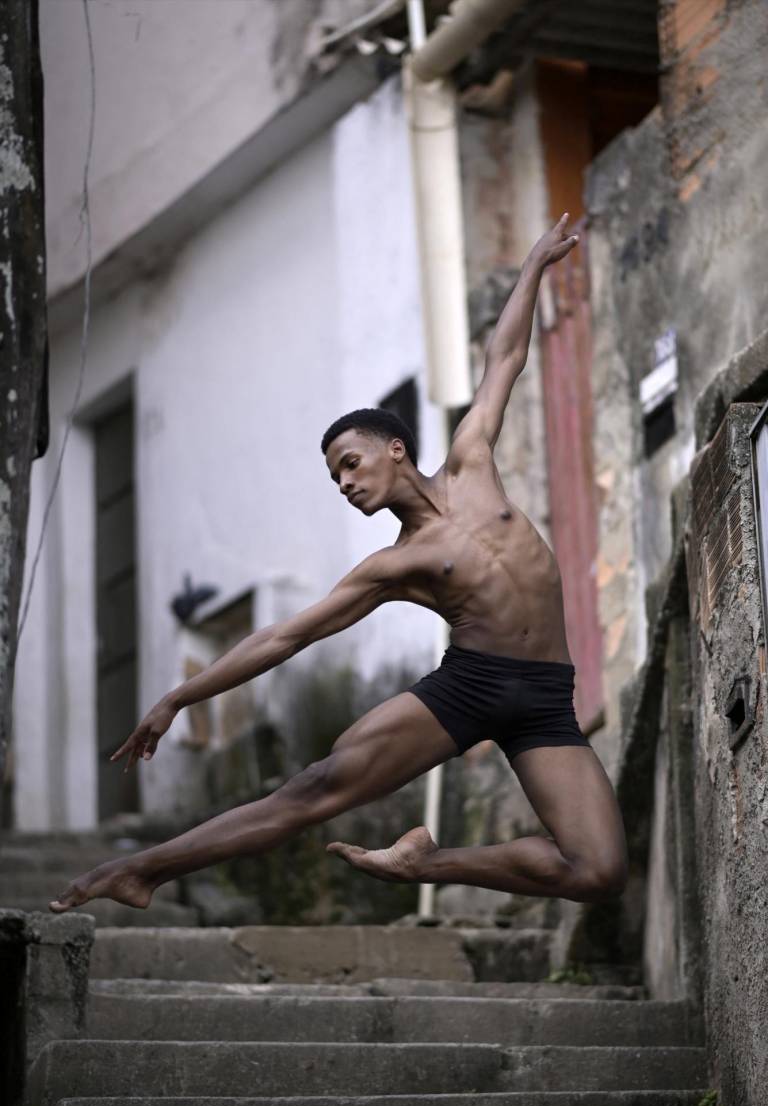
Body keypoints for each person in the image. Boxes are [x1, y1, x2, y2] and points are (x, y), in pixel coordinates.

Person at [49, 213, 627, 915]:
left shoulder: (474, 460)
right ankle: (144, 868)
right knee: (316, 789)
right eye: (335, 479)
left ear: (395, 449)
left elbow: (504, 357)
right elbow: (283, 637)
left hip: (544, 698)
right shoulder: (392, 565)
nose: (346, 483)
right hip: (471, 686)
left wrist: (535, 262)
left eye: (349, 464)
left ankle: (430, 862)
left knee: (597, 869)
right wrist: (179, 698)